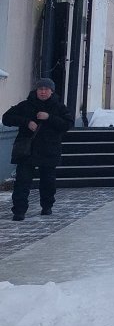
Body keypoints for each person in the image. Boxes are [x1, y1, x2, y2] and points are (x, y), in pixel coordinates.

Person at [3, 78, 73, 221]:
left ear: (52, 91)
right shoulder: (25, 105)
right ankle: (19, 211)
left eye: (46, 89)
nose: (43, 92)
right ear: (36, 91)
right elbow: (6, 118)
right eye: (40, 89)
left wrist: (49, 117)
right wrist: (26, 122)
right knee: (22, 181)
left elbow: (67, 124)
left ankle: (47, 206)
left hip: (49, 149)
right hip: (27, 150)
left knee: (48, 181)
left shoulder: (59, 107)